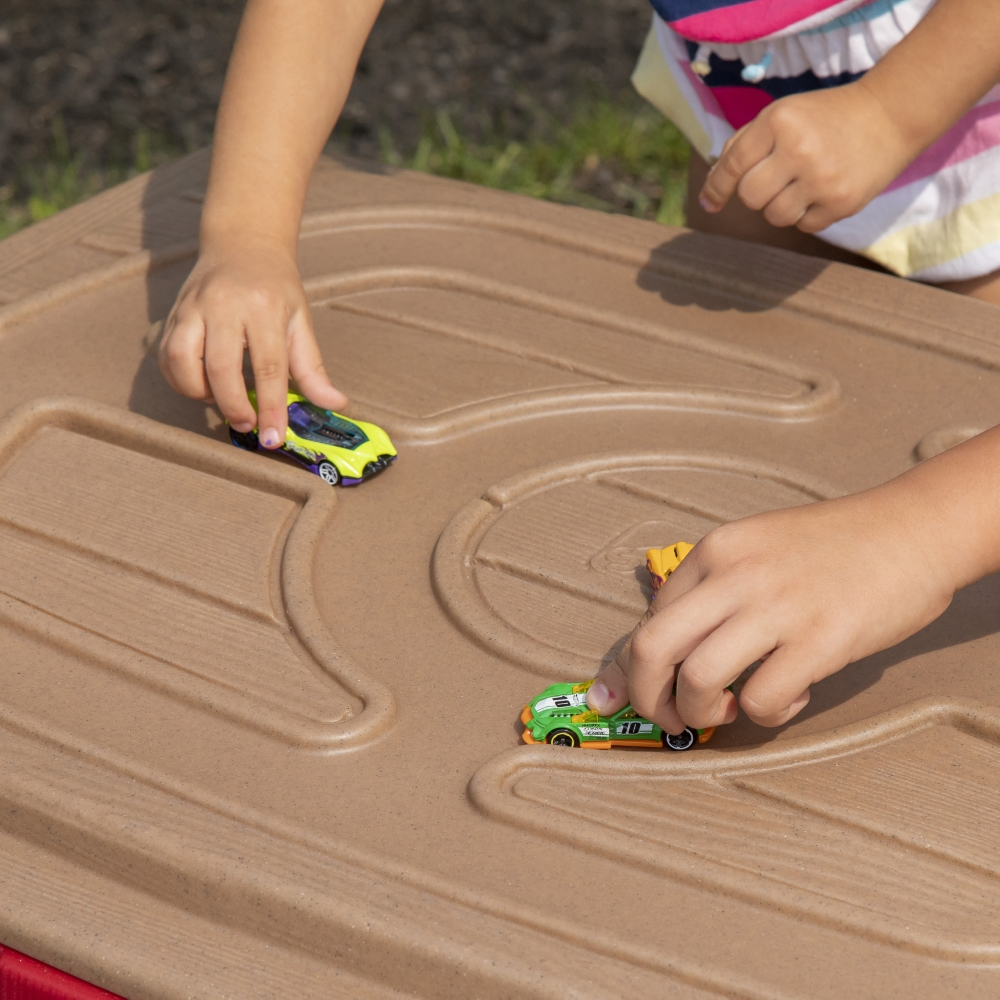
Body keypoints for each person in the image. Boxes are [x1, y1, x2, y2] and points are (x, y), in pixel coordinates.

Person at [157, 0, 1000, 738]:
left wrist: (917, 539)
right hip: (761, 127)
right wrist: (246, 237)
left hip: (978, 167)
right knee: (762, 383)